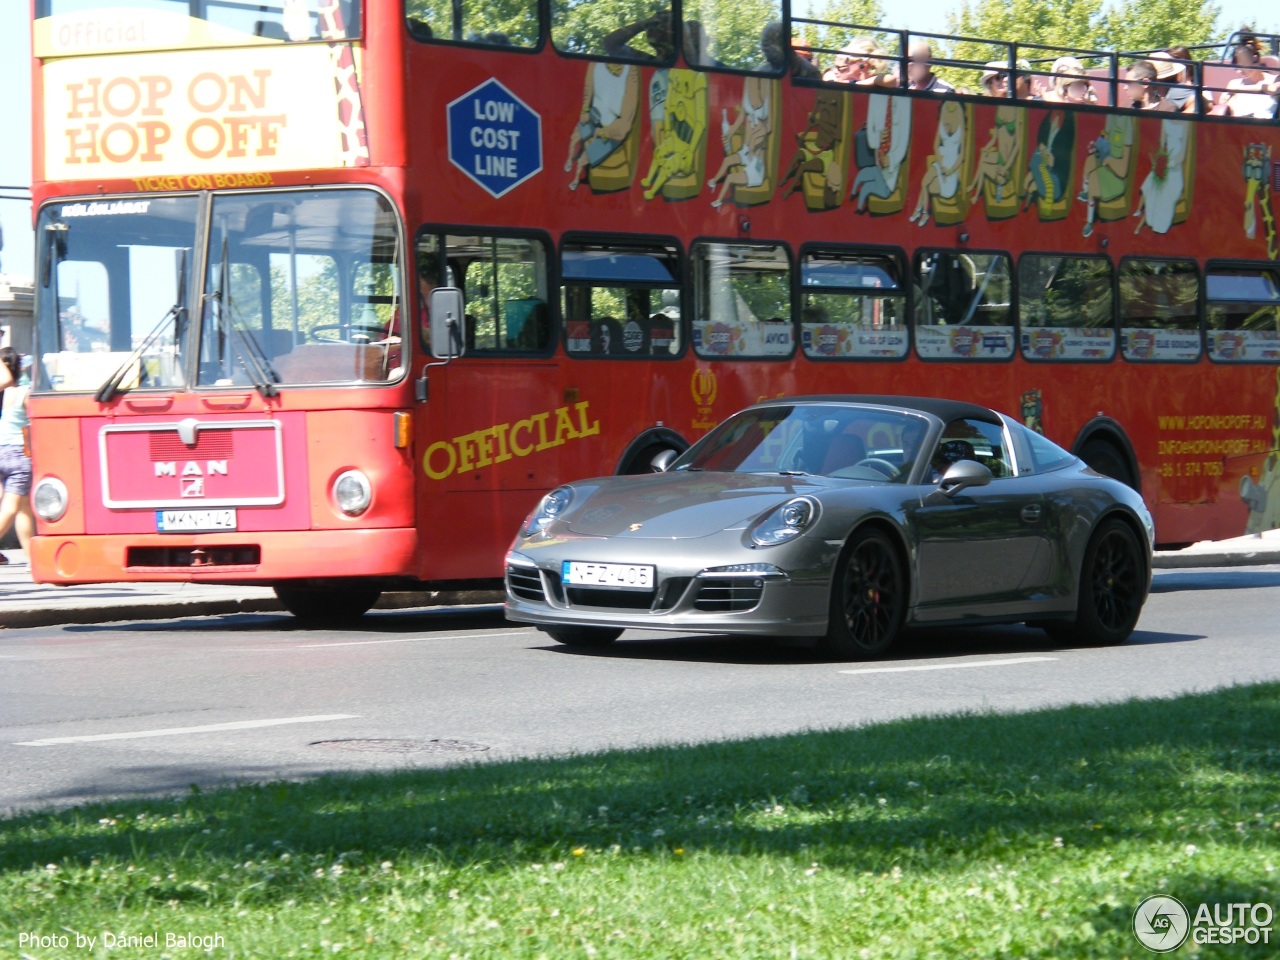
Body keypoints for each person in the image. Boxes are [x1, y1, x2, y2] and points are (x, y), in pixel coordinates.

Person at [0, 348, 34, 565]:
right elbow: (36, 423)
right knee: (12, 508)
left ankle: (34, 559)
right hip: (19, 454)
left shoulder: (2, 393)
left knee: (24, 509)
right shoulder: (24, 392)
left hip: (0, 451)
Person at [1218, 34, 1280, 119]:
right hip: (1239, 127)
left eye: (1243, 65)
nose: (1239, 71)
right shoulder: (1234, 83)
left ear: (1255, 59)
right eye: (1237, 67)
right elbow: (1222, 106)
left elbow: (1272, 89)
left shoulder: (1275, 80)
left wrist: (1239, 89)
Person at [602, 9, 674, 61]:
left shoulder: (684, 62)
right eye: (652, 24)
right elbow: (610, 43)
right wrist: (642, 25)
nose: (653, 26)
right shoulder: (648, 61)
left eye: (665, 21)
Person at [824, 38, 898, 87]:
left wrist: (854, 84)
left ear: (862, 63)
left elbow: (891, 80)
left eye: (842, 67)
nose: (836, 71)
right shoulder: (834, 77)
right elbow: (827, 76)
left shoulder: (877, 80)